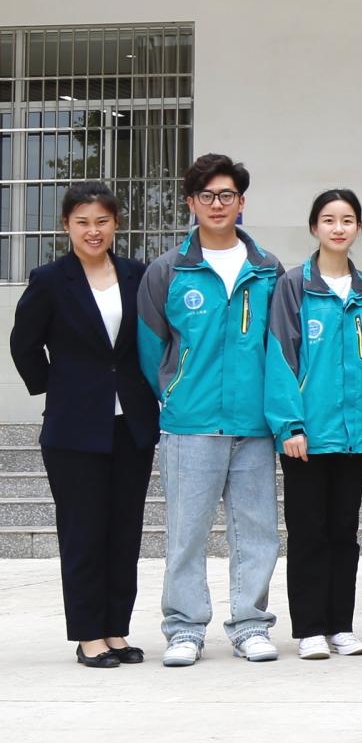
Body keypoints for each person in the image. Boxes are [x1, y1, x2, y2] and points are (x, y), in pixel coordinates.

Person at [136, 153, 285, 667]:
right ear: (191, 203)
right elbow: (151, 346)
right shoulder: (168, 270)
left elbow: (279, 346)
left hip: (254, 424)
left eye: (226, 195)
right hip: (190, 423)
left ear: (242, 203)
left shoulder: (267, 269)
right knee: (186, 533)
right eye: (206, 195)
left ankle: (250, 624)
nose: (216, 204)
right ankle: (184, 628)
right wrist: (173, 394)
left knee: (258, 531)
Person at [9, 182, 157, 668]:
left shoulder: (137, 275)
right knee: (83, 531)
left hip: (131, 423)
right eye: (82, 222)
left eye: (102, 221)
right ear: (67, 226)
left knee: (124, 531)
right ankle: (89, 635)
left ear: (116, 224)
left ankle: (116, 629)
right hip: (74, 428)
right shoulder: (50, 280)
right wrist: (57, 387)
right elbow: (23, 344)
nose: (93, 231)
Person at [265, 189, 362, 661]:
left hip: (355, 435)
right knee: (308, 532)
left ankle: (340, 625)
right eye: (329, 219)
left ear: (358, 228)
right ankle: (310, 627)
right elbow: (280, 356)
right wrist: (288, 425)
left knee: (344, 533)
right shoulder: (294, 285)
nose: (338, 228)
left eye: (347, 220)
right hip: (307, 435)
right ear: (314, 227)